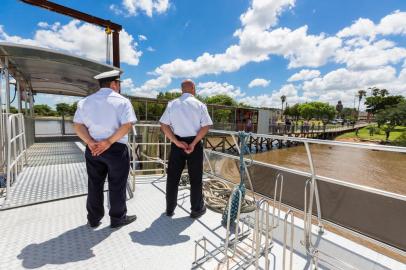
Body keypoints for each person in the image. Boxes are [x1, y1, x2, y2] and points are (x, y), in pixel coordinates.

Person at [73, 70, 137, 229]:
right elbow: (127, 125)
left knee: (94, 184)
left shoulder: (84, 102)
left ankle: (93, 219)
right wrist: (108, 142)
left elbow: (78, 125)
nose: (119, 87)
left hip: (93, 148)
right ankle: (117, 219)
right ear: (114, 84)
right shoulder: (123, 101)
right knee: (117, 185)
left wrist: (90, 142)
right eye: (119, 83)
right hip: (116, 148)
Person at [159, 79, 213, 218]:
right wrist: (194, 143)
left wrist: (176, 142)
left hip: (178, 144)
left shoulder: (172, 104)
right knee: (195, 178)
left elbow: (164, 125)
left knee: (173, 178)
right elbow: (206, 126)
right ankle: (196, 209)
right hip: (194, 144)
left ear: (181, 90)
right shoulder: (200, 105)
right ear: (193, 89)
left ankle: (170, 209)